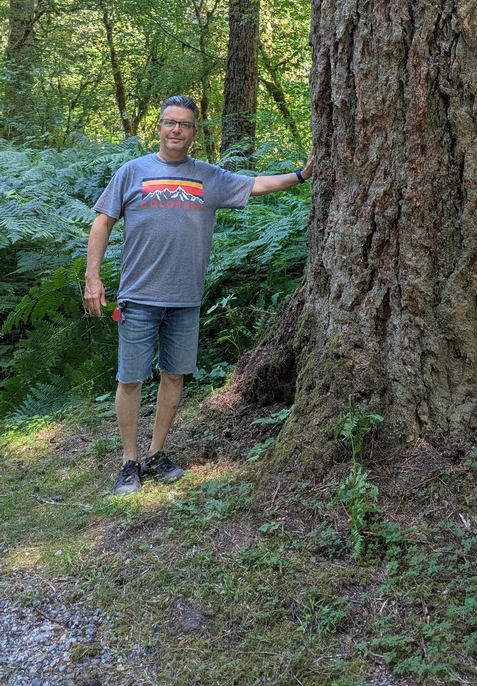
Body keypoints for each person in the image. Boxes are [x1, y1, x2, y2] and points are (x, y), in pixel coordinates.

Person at [84, 95, 314, 495]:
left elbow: (256, 183)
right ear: (158, 126)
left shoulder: (209, 176)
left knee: (174, 376)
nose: (176, 130)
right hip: (138, 297)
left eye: (185, 124)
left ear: (193, 132)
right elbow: (102, 223)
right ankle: (129, 462)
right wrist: (93, 278)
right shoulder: (132, 171)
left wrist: (301, 174)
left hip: (186, 298)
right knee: (131, 378)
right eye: (170, 122)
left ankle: (156, 454)